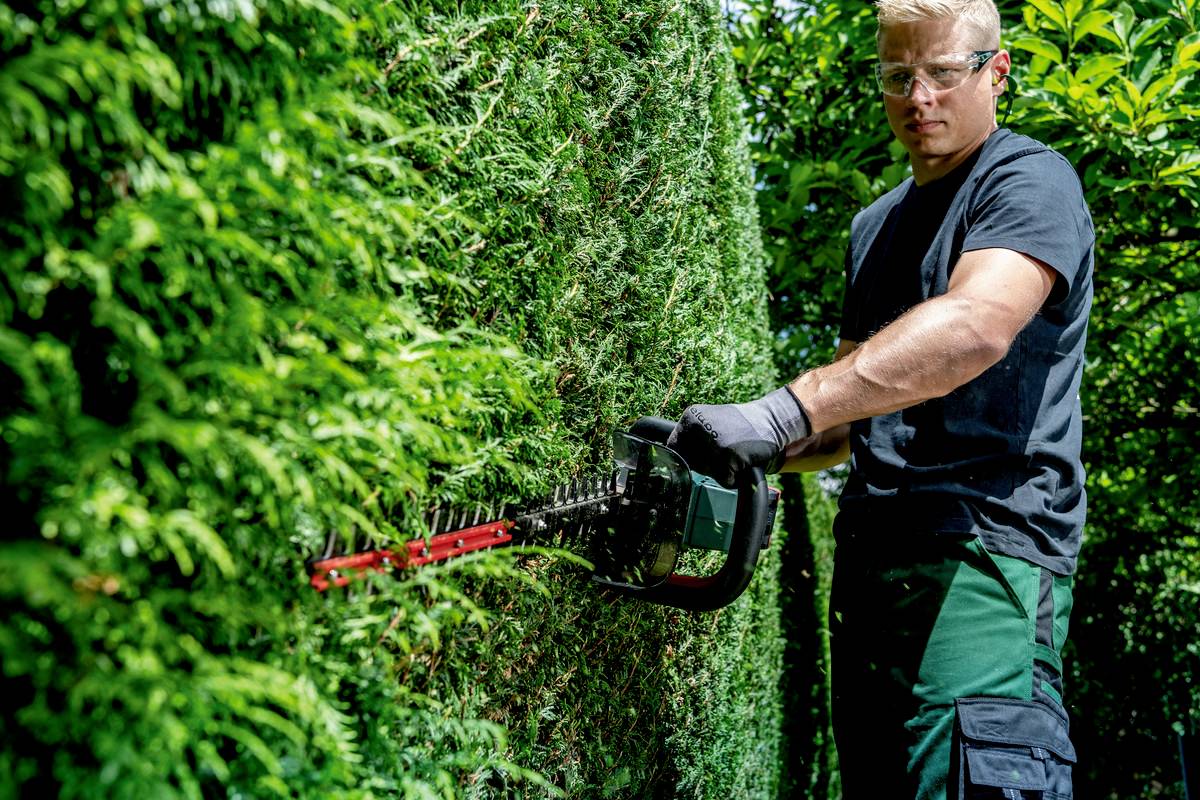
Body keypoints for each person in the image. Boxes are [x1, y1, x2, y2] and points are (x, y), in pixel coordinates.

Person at [667, 0, 1094, 796]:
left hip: (982, 557)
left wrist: (781, 409)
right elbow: (842, 420)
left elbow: (974, 326)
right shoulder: (875, 227)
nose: (918, 97)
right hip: (868, 575)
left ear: (995, 73)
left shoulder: (1029, 180)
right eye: (898, 75)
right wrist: (736, 449)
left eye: (941, 72)